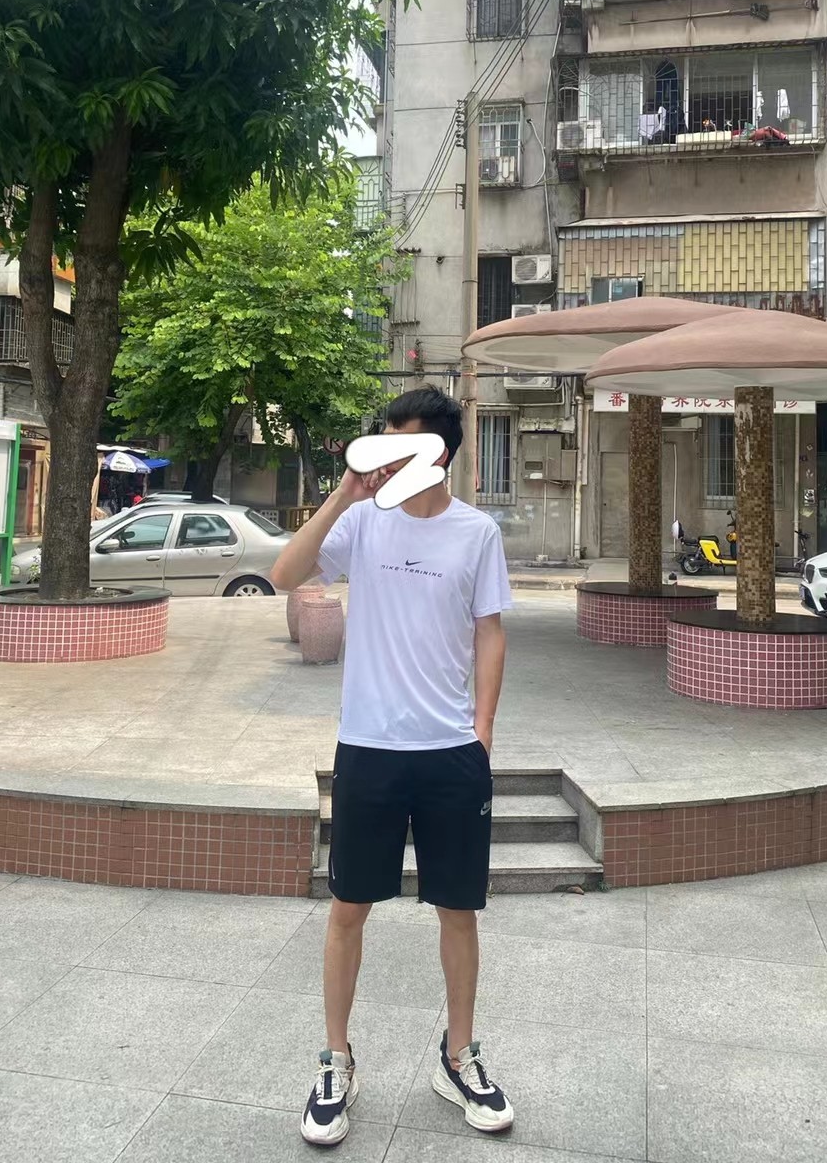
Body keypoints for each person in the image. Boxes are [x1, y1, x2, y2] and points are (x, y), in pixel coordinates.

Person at [270, 385, 515, 1149]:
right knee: (348, 908)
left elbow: (490, 632)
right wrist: (344, 493)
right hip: (370, 747)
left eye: (399, 441)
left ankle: (458, 1057)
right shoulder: (364, 523)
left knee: (457, 910)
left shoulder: (477, 533)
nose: (384, 454)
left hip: (450, 753)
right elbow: (284, 573)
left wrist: (481, 732)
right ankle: (336, 1062)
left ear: (435, 452)